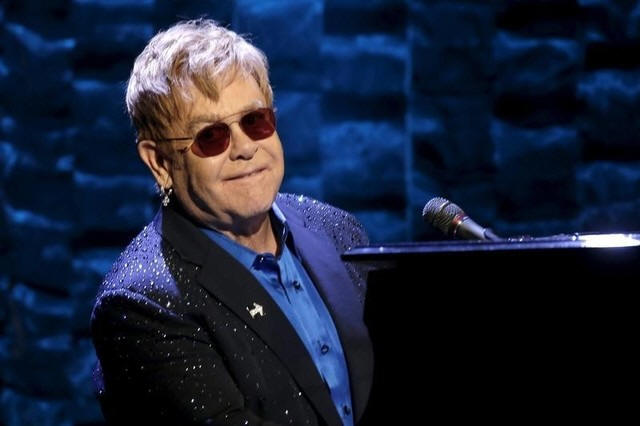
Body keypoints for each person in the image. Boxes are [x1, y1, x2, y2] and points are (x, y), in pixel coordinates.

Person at [90, 19, 374, 426]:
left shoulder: (337, 231)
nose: (244, 148)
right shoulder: (141, 304)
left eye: (255, 121)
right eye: (211, 136)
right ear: (160, 162)